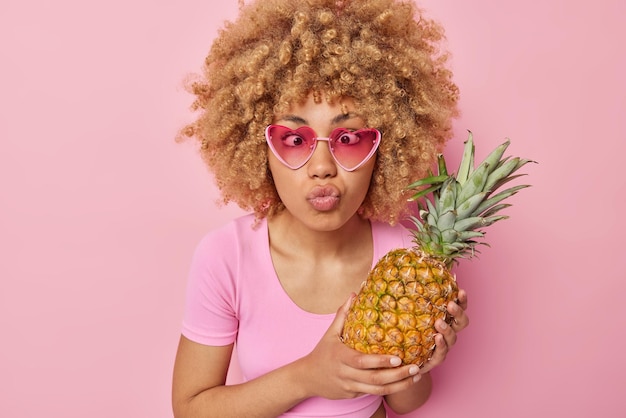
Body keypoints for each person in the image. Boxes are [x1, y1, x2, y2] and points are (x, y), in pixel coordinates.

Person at [172, 0, 469, 416]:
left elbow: (404, 404)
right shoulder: (226, 257)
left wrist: (422, 360)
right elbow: (190, 410)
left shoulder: (407, 254)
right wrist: (310, 376)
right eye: (295, 140)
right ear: (259, 147)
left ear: (384, 149)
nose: (323, 169)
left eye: (349, 139)